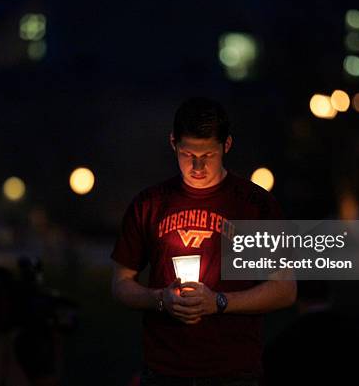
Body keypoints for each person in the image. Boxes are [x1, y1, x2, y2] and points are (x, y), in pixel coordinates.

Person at [111, 97, 297, 386]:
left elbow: (285, 288)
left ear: (227, 145)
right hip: (164, 371)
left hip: (235, 372)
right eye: (187, 154)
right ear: (173, 143)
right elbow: (121, 283)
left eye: (208, 155)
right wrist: (161, 298)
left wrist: (219, 302)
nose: (197, 166)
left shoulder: (254, 205)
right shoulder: (149, 204)